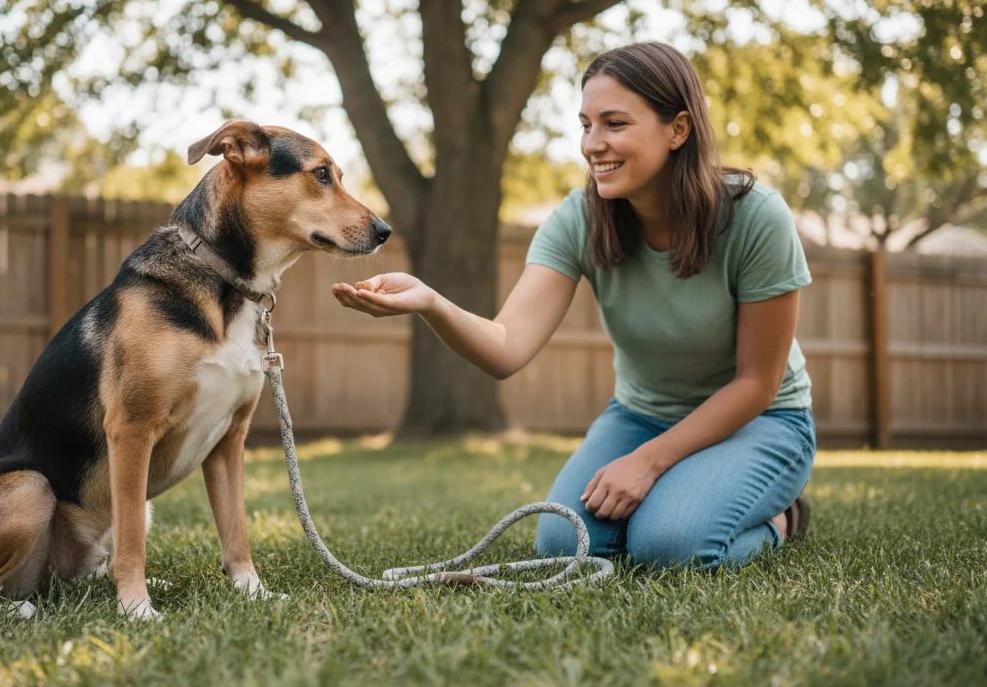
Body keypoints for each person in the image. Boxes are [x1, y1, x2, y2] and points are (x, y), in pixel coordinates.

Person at [331, 42, 815, 570]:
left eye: (614, 123)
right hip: (642, 415)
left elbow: (757, 384)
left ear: (678, 129)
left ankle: (783, 518)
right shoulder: (578, 220)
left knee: (670, 548)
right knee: (565, 545)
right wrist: (430, 303)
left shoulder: (756, 218)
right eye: (586, 124)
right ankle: (682, 493)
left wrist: (648, 463)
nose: (593, 144)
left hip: (762, 421)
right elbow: (506, 347)